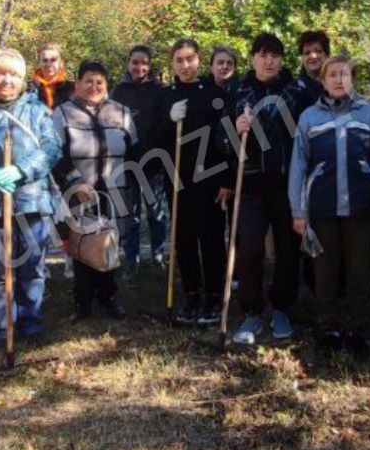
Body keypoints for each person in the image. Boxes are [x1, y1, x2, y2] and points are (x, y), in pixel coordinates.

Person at [289, 55, 370, 358]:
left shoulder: (369, 113)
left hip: (361, 207)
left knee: (359, 271)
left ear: (352, 79)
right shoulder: (309, 117)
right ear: (323, 80)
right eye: (332, 74)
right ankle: (327, 330)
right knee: (325, 271)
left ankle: (358, 331)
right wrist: (298, 211)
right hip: (322, 208)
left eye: (344, 73)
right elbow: (298, 165)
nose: (338, 79)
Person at [0, 48, 61, 343]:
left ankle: (31, 322)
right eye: (0, 73)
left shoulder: (37, 111)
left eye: (14, 75)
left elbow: (52, 148)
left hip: (32, 199)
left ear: (23, 79)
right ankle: (2, 326)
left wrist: (22, 170)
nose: (7, 80)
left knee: (32, 265)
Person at [224, 33, 310, 345]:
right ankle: (252, 311)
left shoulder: (296, 92)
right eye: (262, 55)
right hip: (250, 186)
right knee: (249, 249)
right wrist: (235, 130)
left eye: (274, 55)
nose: (268, 61)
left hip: (287, 185)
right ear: (252, 59)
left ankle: (282, 309)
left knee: (288, 249)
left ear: (282, 59)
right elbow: (222, 141)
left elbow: (308, 137)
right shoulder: (238, 92)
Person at [149, 38, 231, 325]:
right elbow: (153, 140)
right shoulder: (163, 96)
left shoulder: (214, 94)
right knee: (184, 239)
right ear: (172, 63)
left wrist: (226, 179)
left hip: (210, 178)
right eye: (179, 60)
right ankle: (192, 295)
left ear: (199, 60)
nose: (185, 65)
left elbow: (227, 140)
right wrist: (168, 119)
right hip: (178, 179)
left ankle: (213, 297)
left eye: (190, 59)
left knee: (211, 239)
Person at [53, 60, 136, 319]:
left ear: (107, 84)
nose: (94, 86)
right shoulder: (63, 113)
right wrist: (74, 181)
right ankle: (83, 300)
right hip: (80, 191)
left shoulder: (121, 112)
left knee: (109, 242)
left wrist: (131, 181)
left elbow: (134, 151)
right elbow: (54, 154)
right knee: (83, 243)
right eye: (88, 80)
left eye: (99, 81)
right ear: (77, 83)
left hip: (114, 190)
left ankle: (108, 295)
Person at [111, 45, 169, 272]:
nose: (139, 67)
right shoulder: (119, 91)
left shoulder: (159, 90)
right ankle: (131, 260)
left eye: (144, 63)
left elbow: (165, 123)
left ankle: (158, 256)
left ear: (150, 65)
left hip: (154, 163)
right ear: (128, 63)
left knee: (156, 213)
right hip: (128, 164)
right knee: (131, 215)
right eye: (135, 62)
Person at [30, 42, 75, 110]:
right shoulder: (30, 89)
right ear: (39, 63)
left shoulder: (72, 89)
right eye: (45, 60)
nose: (49, 64)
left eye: (53, 60)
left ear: (61, 63)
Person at [294, 30, 329, 102]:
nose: (313, 56)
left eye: (318, 51)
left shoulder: (340, 86)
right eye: (307, 53)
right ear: (302, 58)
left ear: (327, 55)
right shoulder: (294, 91)